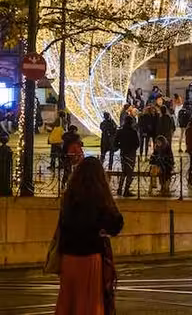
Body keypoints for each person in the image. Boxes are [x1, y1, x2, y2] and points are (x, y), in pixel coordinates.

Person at [55, 157, 123, 315]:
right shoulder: (99, 197)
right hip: (90, 257)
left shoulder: (69, 197)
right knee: (89, 303)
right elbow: (116, 224)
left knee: (68, 302)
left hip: (68, 258)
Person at [114, 115, 140, 197]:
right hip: (131, 154)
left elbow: (115, 143)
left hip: (123, 153)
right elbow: (137, 144)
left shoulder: (120, 131)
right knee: (129, 173)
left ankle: (119, 189)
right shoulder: (133, 132)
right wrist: (132, 149)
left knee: (124, 171)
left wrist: (121, 146)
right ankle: (126, 190)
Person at [61, 125, 84, 189]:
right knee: (76, 171)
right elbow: (81, 144)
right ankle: (73, 185)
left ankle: (63, 184)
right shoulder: (76, 136)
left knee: (67, 171)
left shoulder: (65, 136)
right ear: (74, 130)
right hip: (74, 156)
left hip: (66, 155)